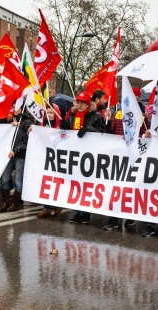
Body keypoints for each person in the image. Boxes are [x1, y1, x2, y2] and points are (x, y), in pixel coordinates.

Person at [60, 91, 106, 224]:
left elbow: (103, 134)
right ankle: (78, 212)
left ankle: (85, 213)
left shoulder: (97, 116)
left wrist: (88, 129)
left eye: (82, 102)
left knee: (85, 185)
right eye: (78, 102)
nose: (79, 105)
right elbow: (67, 132)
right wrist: (64, 127)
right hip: (74, 155)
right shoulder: (72, 115)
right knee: (75, 185)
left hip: (89, 156)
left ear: (88, 104)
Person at [0, 107, 34, 212]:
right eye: (13, 106)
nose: (13, 108)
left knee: (18, 180)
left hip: (19, 155)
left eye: (16, 107)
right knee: (5, 179)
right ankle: (5, 202)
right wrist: (9, 125)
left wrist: (15, 151)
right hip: (9, 154)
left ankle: (15, 203)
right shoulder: (10, 119)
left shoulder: (27, 122)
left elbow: (26, 140)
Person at [36, 104, 64, 218]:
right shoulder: (42, 126)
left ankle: (58, 204)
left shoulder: (60, 126)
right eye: (47, 113)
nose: (49, 115)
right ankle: (46, 208)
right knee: (46, 182)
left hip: (56, 158)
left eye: (52, 113)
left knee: (56, 181)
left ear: (56, 114)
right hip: (45, 157)